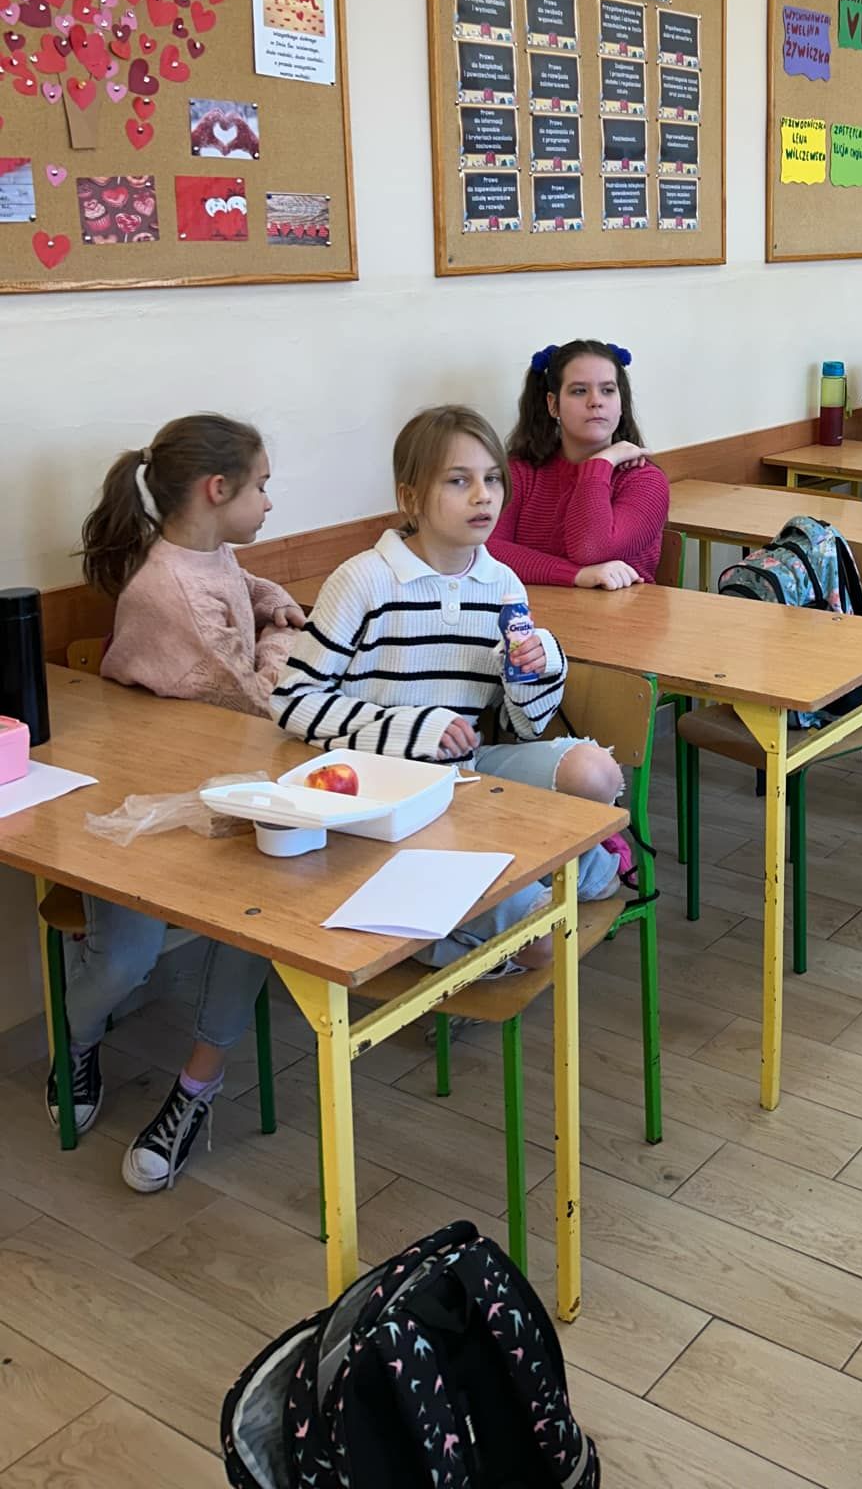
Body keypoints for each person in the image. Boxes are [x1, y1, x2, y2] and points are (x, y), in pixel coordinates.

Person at [271, 405, 626, 976]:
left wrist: (537, 668)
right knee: (540, 941)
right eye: (459, 481)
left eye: (492, 479)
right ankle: (418, 928)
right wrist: (415, 730)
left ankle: (538, 875)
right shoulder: (363, 580)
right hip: (383, 799)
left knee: (595, 771)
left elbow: (524, 725)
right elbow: (292, 702)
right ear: (410, 498)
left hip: (466, 778)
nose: (483, 496)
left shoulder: (501, 583)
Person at [57, 416, 304, 1191]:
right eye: (262, 486)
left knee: (260, 907)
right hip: (142, 802)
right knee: (124, 962)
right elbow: (258, 701)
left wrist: (273, 601)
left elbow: (241, 586)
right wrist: (284, 641)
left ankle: (197, 1086)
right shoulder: (171, 592)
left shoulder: (203, 551)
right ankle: (75, 1040)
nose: (270, 501)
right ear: (217, 490)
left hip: (209, 789)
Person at [488, 340, 669, 589]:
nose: (596, 401)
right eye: (579, 391)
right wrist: (576, 575)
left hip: (622, 611)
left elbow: (591, 550)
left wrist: (601, 463)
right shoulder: (520, 471)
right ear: (553, 404)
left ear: (621, 403)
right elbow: (487, 551)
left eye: (608, 390)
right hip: (532, 609)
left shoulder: (645, 480)